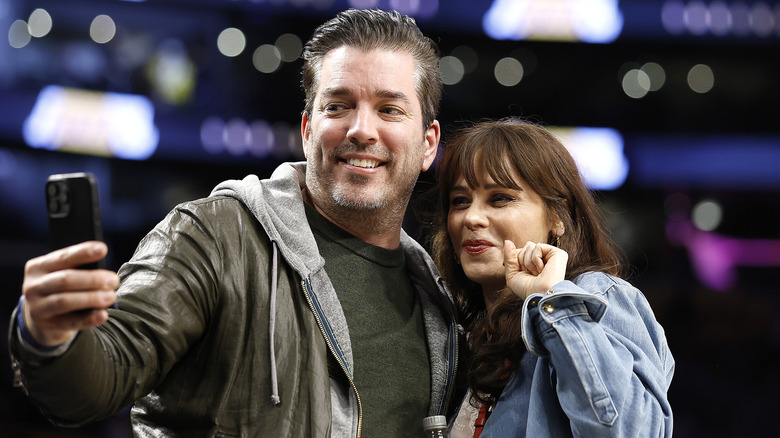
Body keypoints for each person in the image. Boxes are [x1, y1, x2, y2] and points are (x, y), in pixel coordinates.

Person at [9, 9, 462, 437]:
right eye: (338, 106)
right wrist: (50, 337)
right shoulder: (214, 236)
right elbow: (95, 380)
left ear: (428, 144)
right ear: (307, 131)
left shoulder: (443, 302)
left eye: (389, 110)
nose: (361, 129)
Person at [430, 118, 674, 437]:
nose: (471, 217)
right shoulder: (463, 333)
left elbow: (629, 431)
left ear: (557, 217)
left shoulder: (597, 297)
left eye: (500, 198)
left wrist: (554, 301)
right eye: (460, 201)